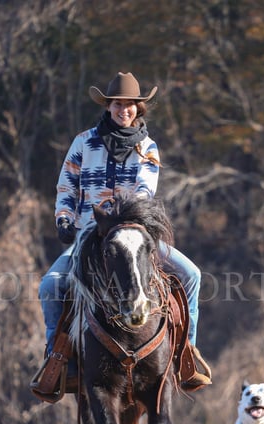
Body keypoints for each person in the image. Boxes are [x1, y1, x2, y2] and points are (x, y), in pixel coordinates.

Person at [37, 71, 211, 388]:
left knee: (192, 275)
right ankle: (57, 359)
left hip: (135, 235)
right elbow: (67, 186)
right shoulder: (83, 142)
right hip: (89, 236)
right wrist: (64, 217)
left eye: (130, 105)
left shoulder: (147, 148)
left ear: (138, 109)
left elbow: (143, 194)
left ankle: (185, 356)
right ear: (108, 107)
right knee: (50, 287)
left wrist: (120, 222)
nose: (124, 110)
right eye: (118, 104)